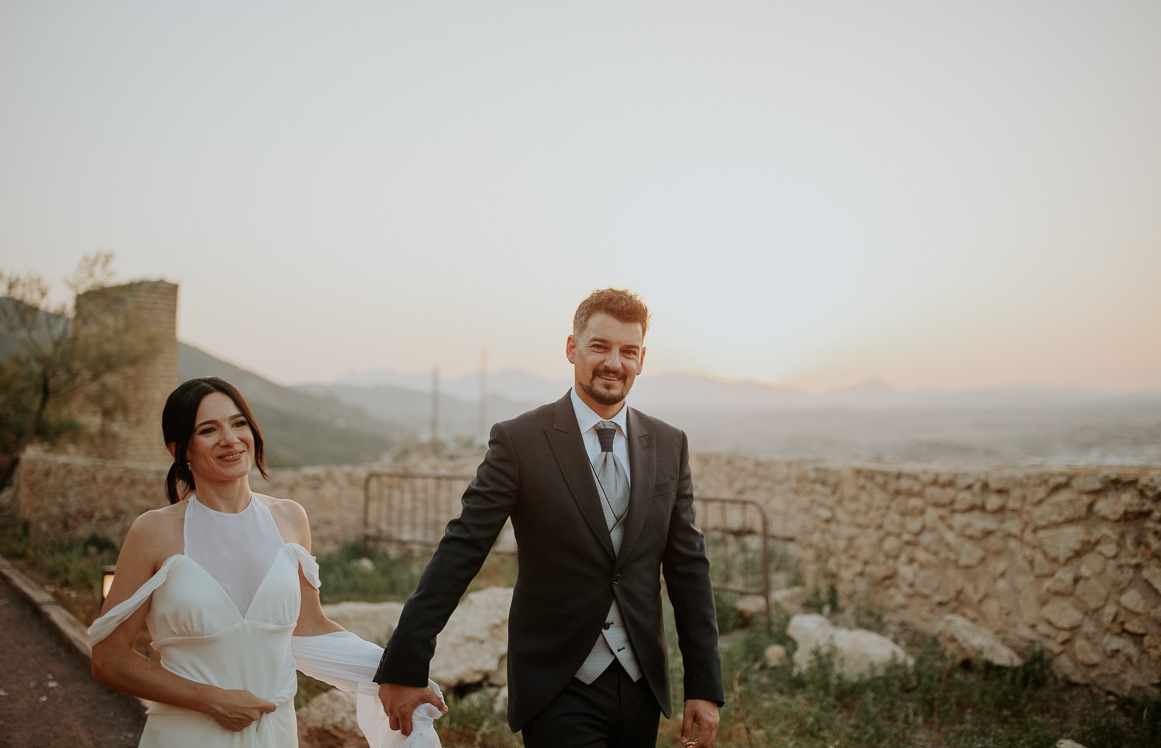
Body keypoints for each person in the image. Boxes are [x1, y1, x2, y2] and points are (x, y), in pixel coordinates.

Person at [376, 288, 723, 748]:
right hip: (558, 683)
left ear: (641, 360)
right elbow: (463, 548)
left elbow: (688, 568)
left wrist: (704, 684)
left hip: (641, 686)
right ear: (572, 348)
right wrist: (406, 660)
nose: (613, 363)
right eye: (600, 346)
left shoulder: (668, 443)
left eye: (628, 351)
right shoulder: (519, 440)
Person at [89, 376, 446, 748]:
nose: (230, 438)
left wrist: (396, 672)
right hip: (186, 735)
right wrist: (213, 700)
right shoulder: (153, 532)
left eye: (238, 423)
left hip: (275, 735)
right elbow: (109, 659)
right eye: (209, 430)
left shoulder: (290, 519)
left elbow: (309, 628)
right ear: (180, 449)